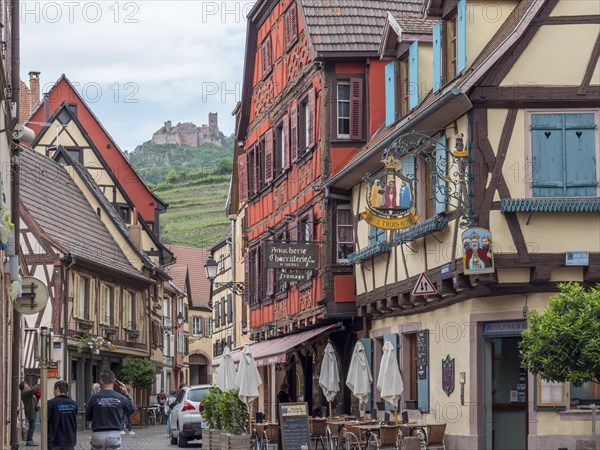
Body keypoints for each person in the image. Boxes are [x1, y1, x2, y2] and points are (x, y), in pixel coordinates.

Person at [86, 369, 134, 450]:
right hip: (114, 434)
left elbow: (88, 417)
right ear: (115, 381)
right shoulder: (120, 397)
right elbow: (131, 410)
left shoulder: (94, 397)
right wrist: (126, 394)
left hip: (98, 434)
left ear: (101, 381)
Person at [48, 380, 78, 450]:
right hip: (70, 440)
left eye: (54, 389)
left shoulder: (51, 403)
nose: (53, 391)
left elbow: (45, 421)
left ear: (57, 389)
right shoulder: (74, 404)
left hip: (55, 441)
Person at [19, 379, 40, 446]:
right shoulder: (24, 392)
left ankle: (29, 440)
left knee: (32, 425)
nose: (27, 385)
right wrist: (38, 383)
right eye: (26, 384)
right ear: (24, 386)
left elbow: (33, 399)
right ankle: (29, 440)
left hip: (33, 410)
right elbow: (33, 390)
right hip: (30, 411)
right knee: (32, 426)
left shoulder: (26, 392)